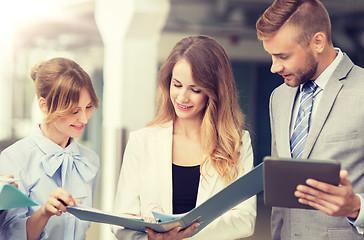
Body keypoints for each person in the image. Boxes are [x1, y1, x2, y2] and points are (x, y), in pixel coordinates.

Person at [111, 35, 257, 240]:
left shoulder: (237, 142)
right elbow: (122, 220)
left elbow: (244, 220)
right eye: (177, 84)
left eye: (195, 89)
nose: (182, 97)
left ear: (214, 92)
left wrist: (186, 234)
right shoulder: (141, 141)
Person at [256, 0, 364, 239]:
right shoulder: (279, 97)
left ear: (317, 42)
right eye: (271, 56)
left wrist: (357, 207)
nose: (274, 67)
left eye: (282, 55)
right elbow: (279, 203)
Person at [0, 57, 100, 240]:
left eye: (88, 107)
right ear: (44, 105)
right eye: (74, 111)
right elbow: (10, 235)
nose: (85, 119)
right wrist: (45, 211)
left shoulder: (90, 159)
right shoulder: (13, 158)